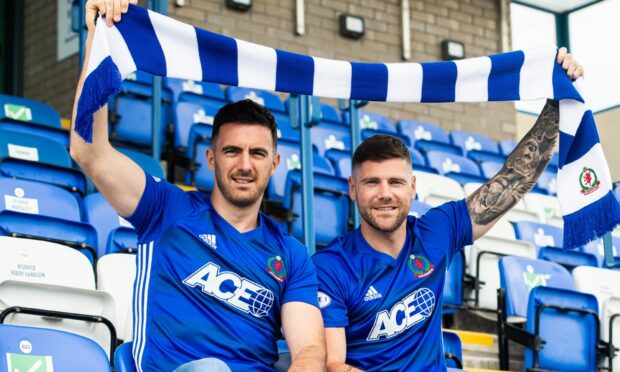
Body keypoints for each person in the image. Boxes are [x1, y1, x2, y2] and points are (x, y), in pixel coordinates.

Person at [70, 1, 326, 371]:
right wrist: (98, 36)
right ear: (211, 159)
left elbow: (309, 351)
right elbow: (88, 151)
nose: (244, 165)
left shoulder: (291, 254)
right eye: (232, 151)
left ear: (274, 164)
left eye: (257, 153)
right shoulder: (166, 208)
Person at [313, 49, 584, 371]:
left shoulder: (436, 231)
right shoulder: (331, 267)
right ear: (353, 189)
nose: (385, 194)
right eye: (372, 182)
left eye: (395, 183)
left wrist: (557, 103)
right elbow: (334, 365)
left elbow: (514, 179)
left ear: (413, 188)